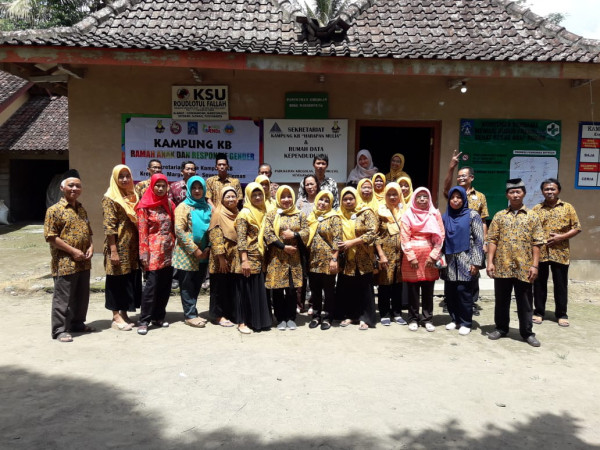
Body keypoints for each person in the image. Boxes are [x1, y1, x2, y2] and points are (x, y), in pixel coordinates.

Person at [486, 178, 544, 347]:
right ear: (507, 195)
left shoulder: (532, 216)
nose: (515, 194)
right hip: (502, 265)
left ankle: (527, 332)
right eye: (512, 192)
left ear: (524, 194)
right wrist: (490, 262)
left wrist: (534, 265)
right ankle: (501, 328)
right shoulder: (499, 216)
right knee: (501, 299)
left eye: (518, 191)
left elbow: (537, 242)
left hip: (524, 267)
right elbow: (492, 240)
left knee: (525, 301)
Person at [44, 169, 95, 342]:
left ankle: (77, 324)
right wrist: (73, 251)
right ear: (62, 187)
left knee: (81, 295)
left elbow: (88, 233)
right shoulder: (54, 210)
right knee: (63, 297)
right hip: (65, 261)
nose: (74, 189)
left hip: (84, 261)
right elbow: (51, 237)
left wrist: (91, 247)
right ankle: (59, 330)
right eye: (71, 185)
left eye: (78, 186)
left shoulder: (81, 209)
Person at [443, 149, 490, 316]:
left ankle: (470, 304)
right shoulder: (453, 194)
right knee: (454, 276)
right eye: (459, 175)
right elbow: (446, 188)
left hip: (472, 241)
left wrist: (484, 242)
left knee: (472, 273)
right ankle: (454, 307)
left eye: (465, 175)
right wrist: (451, 167)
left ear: (471, 178)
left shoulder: (480, 197)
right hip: (456, 241)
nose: (461, 178)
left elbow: (483, 220)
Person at [532, 178, 581, 327]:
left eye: (552, 189)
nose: (550, 192)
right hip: (541, 254)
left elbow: (577, 227)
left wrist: (562, 237)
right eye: (546, 189)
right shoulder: (536, 209)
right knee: (539, 285)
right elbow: (530, 229)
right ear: (542, 191)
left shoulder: (568, 207)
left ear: (558, 190)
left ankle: (561, 314)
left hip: (561, 253)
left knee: (560, 285)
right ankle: (539, 312)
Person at [102, 164, 141, 331]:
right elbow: (109, 227)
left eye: (127, 176)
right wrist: (113, 251)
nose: (125, 179)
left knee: (128, 280)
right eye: (121, 176)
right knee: (116, 280)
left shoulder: (133, 196)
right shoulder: (110, 198)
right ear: (115, 178)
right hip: (118, 247)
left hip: (132, 248)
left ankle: (124, 313)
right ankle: (116, 316)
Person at [440, 186, 485, 336]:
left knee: (464, 291)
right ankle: (455, 319)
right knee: (451, 291)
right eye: (453, 197)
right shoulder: (446, 216)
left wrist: (476, 263)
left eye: (459, 197)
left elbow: (479, 240)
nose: (455, 200)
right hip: (450, 259)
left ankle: (466, 321)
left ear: (463, 199)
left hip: (467, 258)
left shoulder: (473, 215)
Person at [135, 173, 176, 335]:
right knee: (151, 287)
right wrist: (143, 254)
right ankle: (144, 320)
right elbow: (142, 231)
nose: (160, 188)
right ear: (152, 186)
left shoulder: (169, 203)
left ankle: (158, 317)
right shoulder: (144, 205)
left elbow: (173, 226)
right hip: (152, 253)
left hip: (168, 251)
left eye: (163, 186)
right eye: (157, 185)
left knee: (165, 286)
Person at [264, 185, 309, 330]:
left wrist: (295, 235)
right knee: (277, 289)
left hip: (294, 258)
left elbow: (307, 231)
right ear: (278, 198)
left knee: (291, 289)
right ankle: (280, 318)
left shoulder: (300, 214)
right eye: (283, 197)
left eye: (289, 196)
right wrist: (284, 247)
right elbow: (268, 234)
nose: (286, 200)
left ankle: (291, 317)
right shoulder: (272, 214)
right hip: (277, 257)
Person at [401, 187, 444, 332]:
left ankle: (427, 319)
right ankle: (413, 318)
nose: (422, 199)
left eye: (425, 196)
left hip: (429, 257)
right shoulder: (407, 215)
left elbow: (440, 236)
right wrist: (411, 257)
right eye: (419, 196)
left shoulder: (434, 213)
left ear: (429, 199)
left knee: (428, 290)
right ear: (414, 199)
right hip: (411, 258)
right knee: (413, 290)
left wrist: (434, 255)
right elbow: (405, 237)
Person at [337, 187, 378, 330]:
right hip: (346, 259)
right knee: (348, 288)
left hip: (364, 257)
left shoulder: (366, 212)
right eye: (345, 199)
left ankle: (365, 318)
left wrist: (352, 242)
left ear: (356, 198)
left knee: (365, 289)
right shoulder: (339, 214)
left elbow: (372, 233)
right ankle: (350, 315)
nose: (348, 202)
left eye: (351, 198)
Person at [173, 176, 211, 328]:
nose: (197, 191)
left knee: (197, 284)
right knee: (187, 285)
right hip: (188, 254)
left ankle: (192, 311)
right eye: (194, 188)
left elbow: (212, 229)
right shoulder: (183, 207)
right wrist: (195, 250)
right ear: (189, 189)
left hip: (205, 254)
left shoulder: (207, 207)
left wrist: (207, 247)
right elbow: (179, 231)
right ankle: (190, 315)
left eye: (200, 187)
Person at [236, 182, 272, 333]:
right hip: (249, 257)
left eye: (260, 194)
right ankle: (243, 322)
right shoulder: (244, 213)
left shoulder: (265, 211)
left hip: (262, 257)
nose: (257, 197)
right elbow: (241, 238)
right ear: (248, 196)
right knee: (247, 291)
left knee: (259, 290)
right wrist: (244, 260)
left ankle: (260, 321)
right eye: (254, 195)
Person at [306, 191, 342, 330]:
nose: (323, 203)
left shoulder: (334, 217)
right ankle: (316, 316)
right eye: (321, 199)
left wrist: (334, 259)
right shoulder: (311, 216)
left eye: (327, 201)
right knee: (315, 291)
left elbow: (337, 239)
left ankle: (327, 317)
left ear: (331, 203)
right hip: (313, 260)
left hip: (328, 260)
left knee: (328, 291)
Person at [375, 183, 407, 326]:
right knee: (385, 285)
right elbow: (375, 235)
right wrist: (381, 254)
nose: (392, 197)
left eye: (395, 194)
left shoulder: (404, 211)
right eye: (389, 194)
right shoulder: (380, 211)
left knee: (398, 285)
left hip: (401, 255)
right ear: (385, 195)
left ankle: (397, 313)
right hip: (386, 255)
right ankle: (384, 313)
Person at [207, 186, 240, 327]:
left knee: (229, 287)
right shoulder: (218, 214)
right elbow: (215, 237)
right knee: (219, 287)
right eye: (228, 196)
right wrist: (221, 259)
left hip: (233, 257)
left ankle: (229, 313)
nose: (231, 199)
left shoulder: (237, 213)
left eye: (233, 196)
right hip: (220, 259)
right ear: (222, 198)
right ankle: (218, 316)